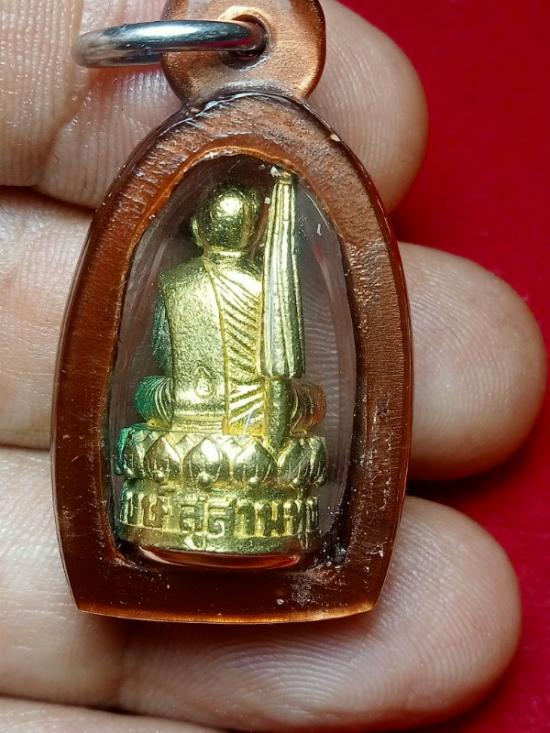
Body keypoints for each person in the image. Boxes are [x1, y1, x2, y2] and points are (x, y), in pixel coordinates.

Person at [0, 0, 546, 730]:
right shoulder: (184, 284)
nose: (227, 232)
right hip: (198, 429)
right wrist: (192, 399)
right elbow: (163, 366)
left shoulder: (252, 286)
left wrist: (269, 399)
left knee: (283, 413)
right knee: (164, 414)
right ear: (205, 227)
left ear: (243, 227)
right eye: (221, 223)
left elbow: (271, 372)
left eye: (238, 224)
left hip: (246, 443)